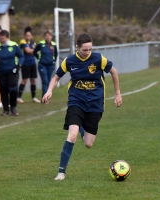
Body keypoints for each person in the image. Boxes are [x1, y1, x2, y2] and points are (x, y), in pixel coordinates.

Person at [42, 33, 122, 180]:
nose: (88, 52)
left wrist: (117, 94)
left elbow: (113, 71)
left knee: (88, 144)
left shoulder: (98, 59)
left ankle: (81, 127)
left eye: (90, 49)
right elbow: (56, 76)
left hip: (95, 103)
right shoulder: (69, 61)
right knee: (72, 135)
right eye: (85, 50)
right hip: (76, 101)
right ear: (77, 47)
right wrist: (49, 90)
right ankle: (61, 172)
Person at [0, 30, 24, 116]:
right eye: (0, 39)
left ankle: (13, 107)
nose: (2, 40)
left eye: (3, 39)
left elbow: (21, 56)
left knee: (12, 89)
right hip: (0, 72)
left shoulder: (14, 45)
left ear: (7, 38)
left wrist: (18, 66)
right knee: (3, 91)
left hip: (12, 71)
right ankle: (5, 109)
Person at [17, 26, 41, 103]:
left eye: (29, 35)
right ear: (24, 36)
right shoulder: (22, 42)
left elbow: (36, 51)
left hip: (32, 62)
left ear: (31, 36)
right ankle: (19, 97)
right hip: (25, 63)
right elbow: (28, 51)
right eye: (27, 35)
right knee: (24, 80)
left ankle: (33, 97)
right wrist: (34, 50)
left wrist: (34, 50)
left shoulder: (33, 42)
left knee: (33, 80)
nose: (28, 37)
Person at [33, 30, 58, 97]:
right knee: (45, 81)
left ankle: (45, 95)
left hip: (50, 65)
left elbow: (56, 54)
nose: (48, 37)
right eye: (46, 36)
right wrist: (39, 58)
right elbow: (35, 52)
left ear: (51, 37)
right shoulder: (41, 44)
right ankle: (45, 97)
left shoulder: (54, 45)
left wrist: (53, 62)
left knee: (48, 81)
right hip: (42, 65)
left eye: (49, 36)